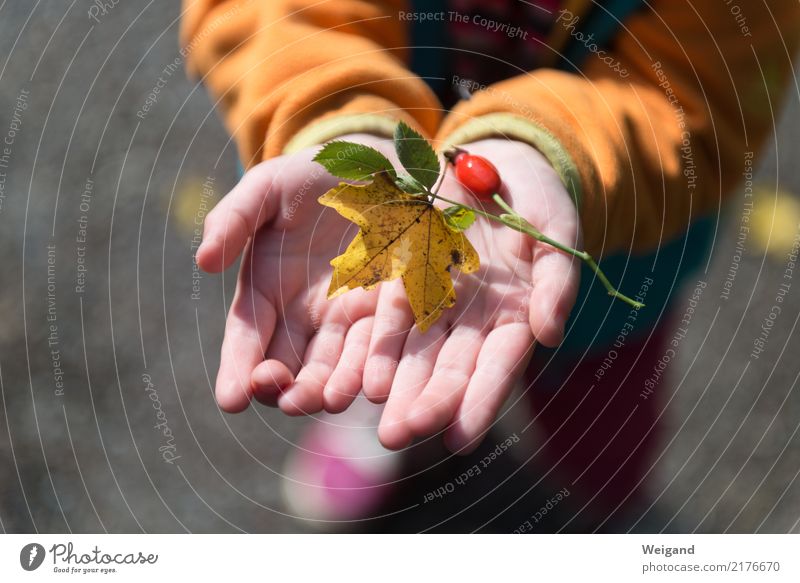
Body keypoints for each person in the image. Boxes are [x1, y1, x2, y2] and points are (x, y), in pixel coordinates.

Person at [182, 0, 799, 524]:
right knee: (388, 327)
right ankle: (386, 403)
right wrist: (333, 114)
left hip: (617, 248)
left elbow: (703, 94)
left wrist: (542, 145)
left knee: (600, 416)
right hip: (386, 206)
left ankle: (607, 494)